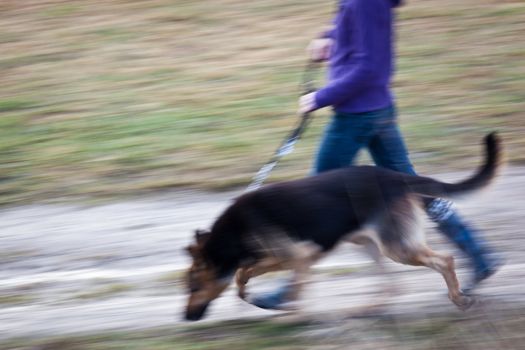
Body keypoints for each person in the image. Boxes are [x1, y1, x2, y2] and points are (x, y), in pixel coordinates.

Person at [251, 0, 501, 310]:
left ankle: (292, 289)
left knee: (314, 199)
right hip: (376, 109)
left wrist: (320, 97)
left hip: (357, 117)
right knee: (415, 187)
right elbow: (364, 37)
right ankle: (479, 254)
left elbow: (369, 69)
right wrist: (330, 37)